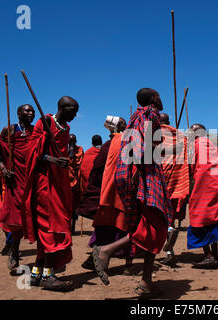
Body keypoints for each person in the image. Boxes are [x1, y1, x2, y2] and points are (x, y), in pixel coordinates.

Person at [92, 88, 172, 298]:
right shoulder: (150, 114)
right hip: (145, 176)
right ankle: (106, 251)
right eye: (159, 95)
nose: (161, 98)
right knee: (156, 226)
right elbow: (142, 147)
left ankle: (146, 282)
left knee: (151, 225)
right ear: (154, 99)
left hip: (140, 173)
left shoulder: (135, 116)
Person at [21, 96, 79, 292]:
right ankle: (48, 276)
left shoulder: (66, 129)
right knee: (51, 226)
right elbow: (32, 152)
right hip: (44, 182)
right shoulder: (45, 122)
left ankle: (37, 274)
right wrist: (52, 159)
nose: (75, 114)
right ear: (62, 107)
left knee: (55, 224)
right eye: (73, 110)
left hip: (59, 182)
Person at [0, 104, 36, 270]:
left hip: (32, 178)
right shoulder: (9, 130)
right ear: (19, 113)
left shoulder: (37, 131)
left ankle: (43, 257)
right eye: (27, 110)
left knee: (36, 215)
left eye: (32, 111)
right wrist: (3, 168)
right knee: (16, 218)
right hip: (14, 179)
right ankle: (14, 251)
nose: (31, 113)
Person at [77, 117, 135, 274]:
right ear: (116, 126)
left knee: (120, 225)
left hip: (121, 191)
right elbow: (97, 169)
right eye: (122, 123)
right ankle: (111, 262)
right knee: (111, 226)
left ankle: (126, 263)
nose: (125, 124)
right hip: (111, 192)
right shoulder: (110, 145)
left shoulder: (126, 142)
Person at [186, 123, 218, 269]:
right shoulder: (212, 146)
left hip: (204, 187)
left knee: (200, 217)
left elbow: (192, 168)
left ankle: (209, 256)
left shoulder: (196, 146)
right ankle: (215, 254)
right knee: (213, 218)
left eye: (192, 131)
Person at [159, 113, 190, 266]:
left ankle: (168, 250)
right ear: (169, 121)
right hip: (176, 181)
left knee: (158, 216)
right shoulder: (180, 136)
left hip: (159, 179)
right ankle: (170, 245)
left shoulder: (154, 134)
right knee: (169, 215)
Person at [68, 134, 84, 235]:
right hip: (66, 180)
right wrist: (68, 153)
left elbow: (79, 162)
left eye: (73, 141)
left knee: (74, 206)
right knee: (67, 206)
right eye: (70, 141)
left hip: (76, 181)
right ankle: (67, 227)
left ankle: (73, 227)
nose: (72, 143)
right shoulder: (65, 150)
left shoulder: (80, 149)